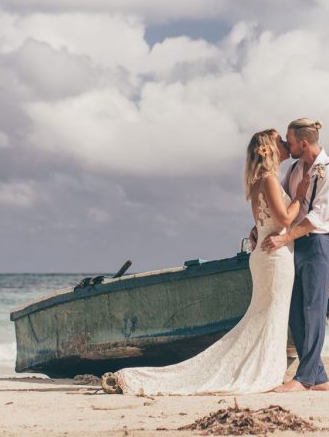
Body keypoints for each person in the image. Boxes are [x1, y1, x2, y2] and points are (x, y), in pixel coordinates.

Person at [104, 129, 313, 395]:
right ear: (269, 149)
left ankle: (263, 368)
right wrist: (299, 196)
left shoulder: (259, 180)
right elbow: (284, 219)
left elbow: (266, 219)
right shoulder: (270, 179)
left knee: (264, 316)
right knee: (270, 316)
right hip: (274, 257)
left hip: (264, 254)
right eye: (280, 142)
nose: (285, 144)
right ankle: (263, 372)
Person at [262, 118, 329, 393]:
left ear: (304, 143)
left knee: (313, 310)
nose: (287, 145)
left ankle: (305, 378)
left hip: (319, 244)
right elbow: (284, 202)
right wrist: (258, 227)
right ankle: (319, 378)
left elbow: (318, 216)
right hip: (297, 245)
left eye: (290, 140)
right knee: (294, 309)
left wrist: (285, 237)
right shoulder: (297, 168)